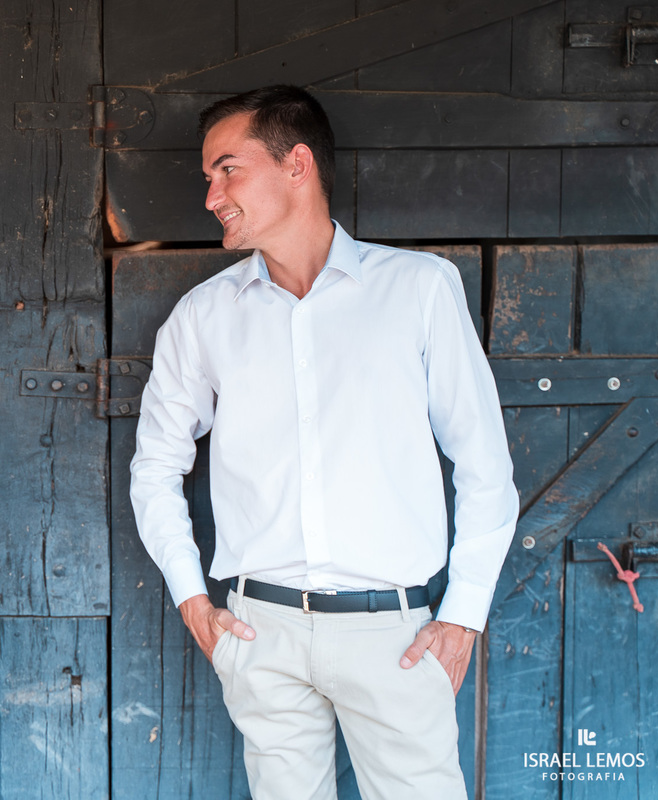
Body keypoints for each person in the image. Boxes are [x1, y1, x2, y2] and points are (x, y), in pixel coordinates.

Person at [129, 86, 518, 799]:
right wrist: (194, 601)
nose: (212, 196)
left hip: (394, 637)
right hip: (259, 634)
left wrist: (462, 615)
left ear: (297, 163)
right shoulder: (203, 317)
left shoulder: (420, 290)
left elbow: (485, 461)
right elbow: (154, 466)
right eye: (207, 179)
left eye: (227, 170)